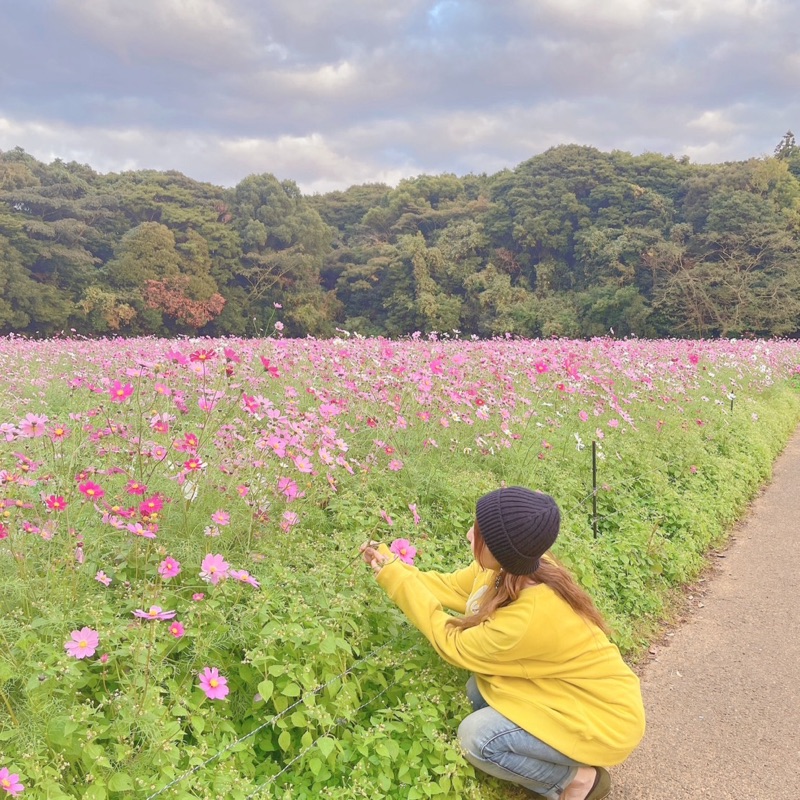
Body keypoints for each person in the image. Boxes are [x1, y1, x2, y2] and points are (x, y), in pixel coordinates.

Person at [361, 486, 645, 800]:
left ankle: (578, 780)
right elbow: (450, 587)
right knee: (478, 689)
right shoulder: (515, 568)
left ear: (500, 550)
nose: (469, 534)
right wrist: (390, 565)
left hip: (604, 719)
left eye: (480, 533)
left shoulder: (528, 616)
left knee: (477, 739)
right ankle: (553, 758)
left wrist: (395, 580)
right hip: (569, 695)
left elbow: (451, 642)